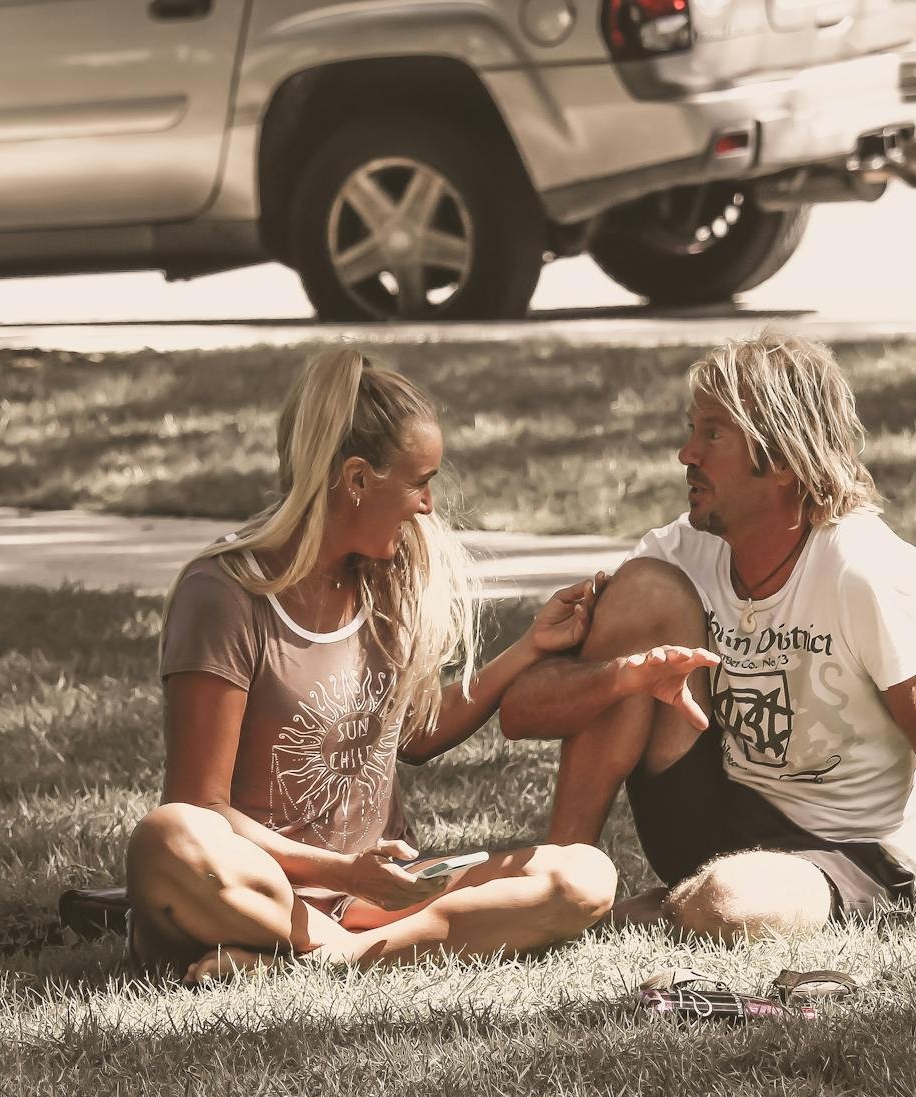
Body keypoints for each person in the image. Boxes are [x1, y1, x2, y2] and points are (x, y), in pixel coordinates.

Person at [499, 332, 916, 942]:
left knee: (724, 904)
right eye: (692, 429)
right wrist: (621, 676)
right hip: (713, 814)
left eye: (712, 433)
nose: (686, 454)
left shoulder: (868, 572)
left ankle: (650, 912)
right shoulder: (675, 557)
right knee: (644, 591)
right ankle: (556, 890)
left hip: (844, 854)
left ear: (783, 460)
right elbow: (523, 713)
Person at [122, 347, 616, 983]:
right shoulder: (222, 594)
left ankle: (327, 961)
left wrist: (529, 649)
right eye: (419, 481)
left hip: (369, 902)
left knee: (583, 875)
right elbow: (203, 806)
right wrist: (342, 872)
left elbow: (413, 734)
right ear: (357, 480)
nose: (428, 506)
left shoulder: (385, 578)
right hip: (248, 893)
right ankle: (333, 951)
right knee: (169, 837)